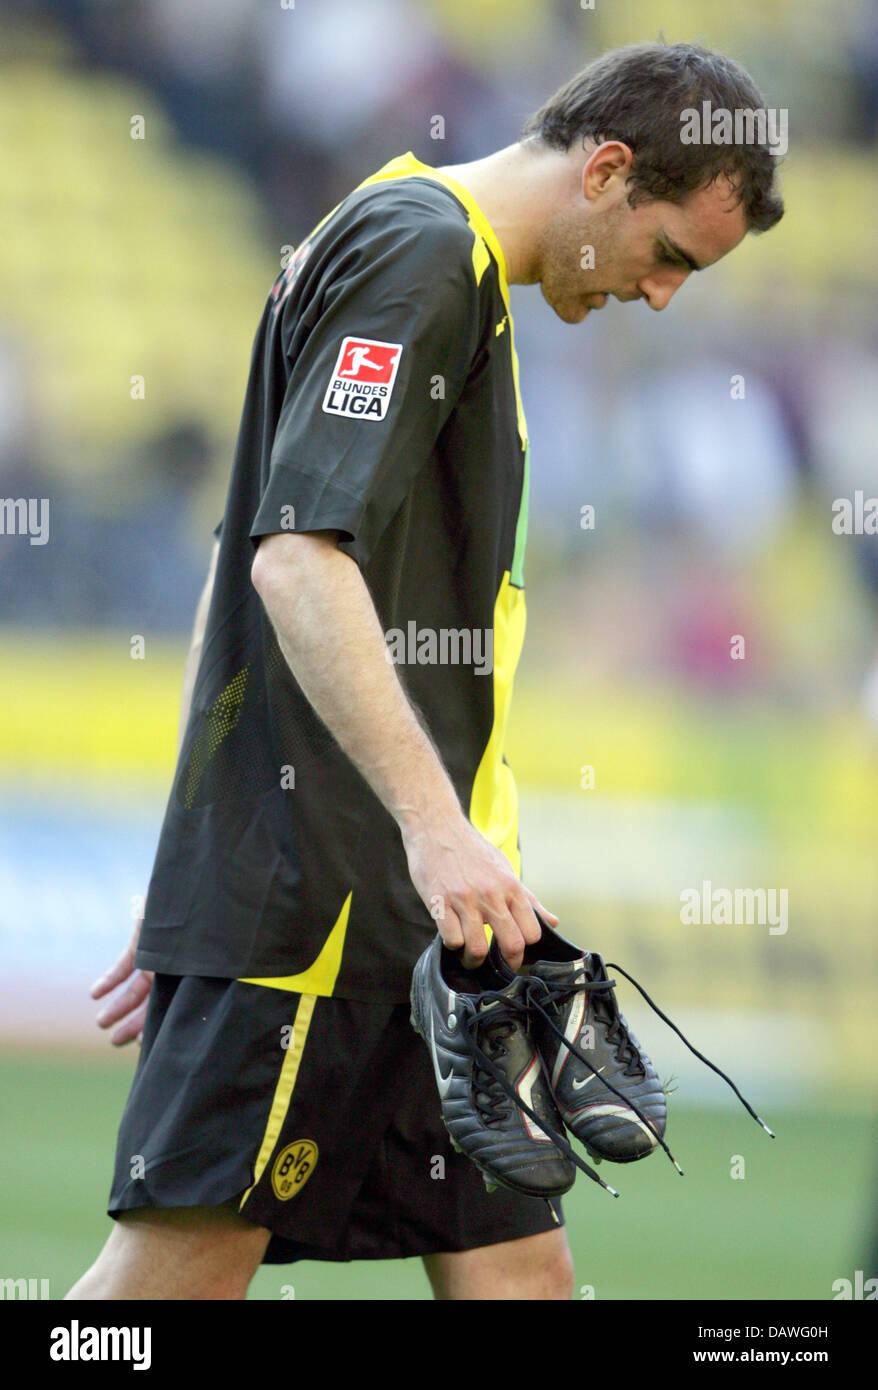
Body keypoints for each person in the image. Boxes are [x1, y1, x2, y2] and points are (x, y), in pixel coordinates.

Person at [68, 40, 783, 1302]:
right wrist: (427, 829)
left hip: (425, 916)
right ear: (607, 169)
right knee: (160, 1293)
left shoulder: (457, 276)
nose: (662, 294)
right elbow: (292, 563)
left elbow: (242, 562)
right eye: (668, 254)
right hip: (326, 904)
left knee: (522, 1273)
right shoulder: (418, 252)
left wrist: (445, 852)